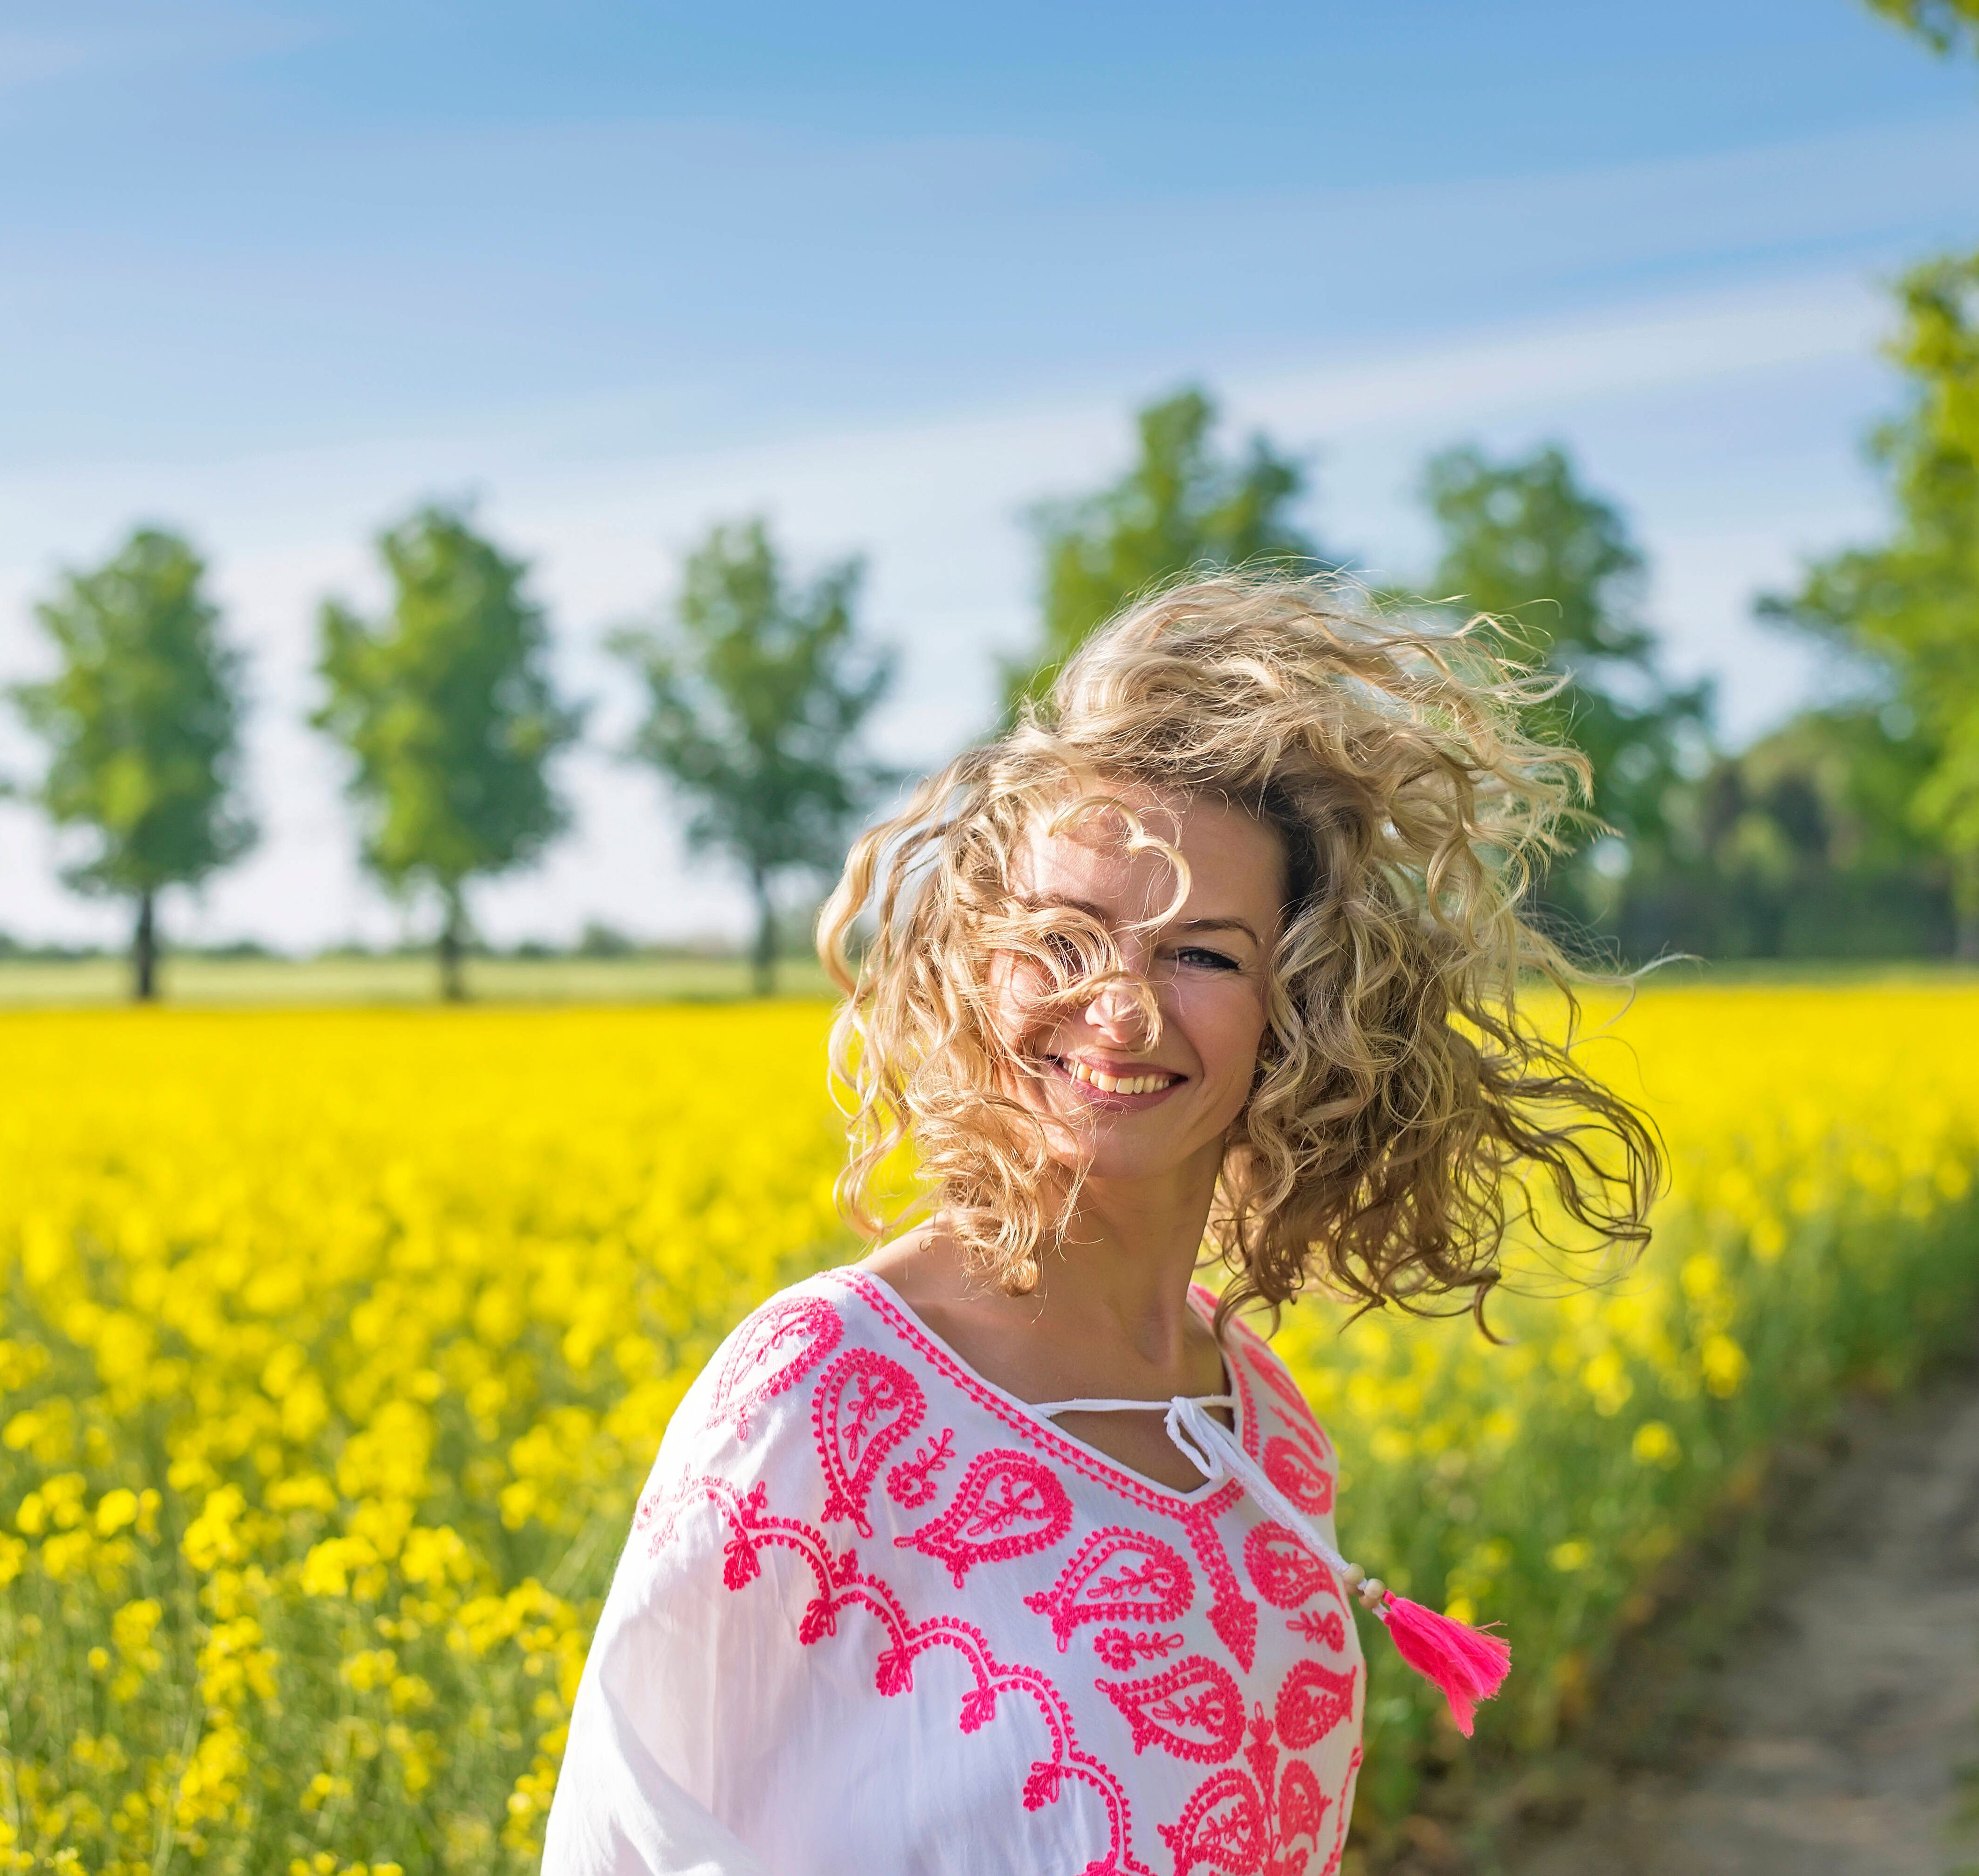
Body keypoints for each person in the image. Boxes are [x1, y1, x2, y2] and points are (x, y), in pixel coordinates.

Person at [543, 572, 1656, 1875]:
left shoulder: (1265, 1429)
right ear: (977, 966)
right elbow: (627, 1844)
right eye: (1064, 939)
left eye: (1202, 954)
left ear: (1300, 1011)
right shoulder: (828, 1394)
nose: (1117, 1011)